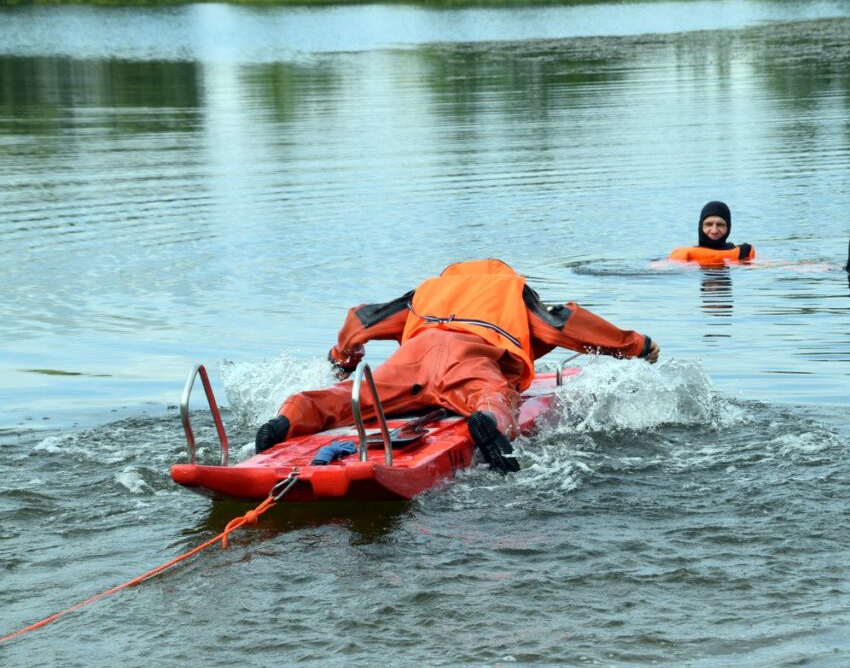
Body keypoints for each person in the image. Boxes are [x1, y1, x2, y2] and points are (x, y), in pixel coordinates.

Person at [255, 258, 660, 473]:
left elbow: (362, 319)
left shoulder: (427, 292)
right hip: (469, 357)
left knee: (346, 397)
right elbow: (562, 323)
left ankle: (291, 418)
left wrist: (342, 358)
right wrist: (636, 346)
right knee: (491, 396)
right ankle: (488, 423)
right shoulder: (510, 290)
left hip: (412, 359)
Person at [669, 201, 755, 266]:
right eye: (708, 224)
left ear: (728, 227)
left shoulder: (744, 252)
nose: (714, 231)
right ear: (700, 226)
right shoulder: (685, 255)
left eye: (720, 225)